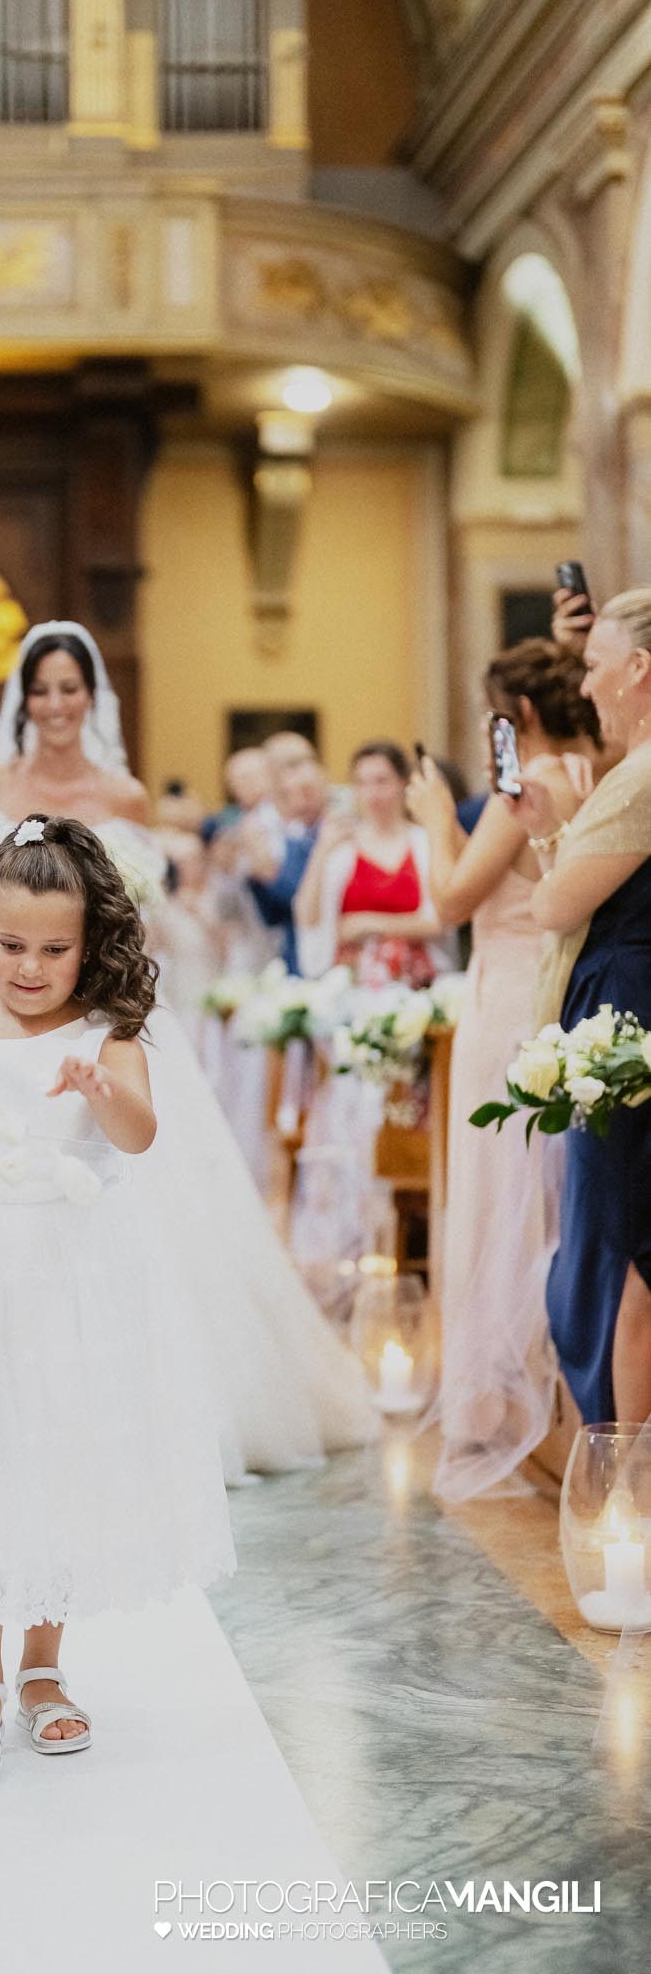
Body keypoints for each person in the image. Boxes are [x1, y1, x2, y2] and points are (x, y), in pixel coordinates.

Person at [0, 620, 374, 1480]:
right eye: (41, 689)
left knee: (139, 1191)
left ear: (91, 698)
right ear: (23, 698)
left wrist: (97, 971)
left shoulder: (119, 794)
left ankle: (155, 1404)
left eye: (69, 689)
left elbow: (139, 913)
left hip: (90, 1002)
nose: (55, 704)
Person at [0, 817, 236, 1772]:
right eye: (11, 945)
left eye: (54, 950)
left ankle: (42, 1666)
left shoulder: (105, 1033)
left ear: (88, 944)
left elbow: (138, 1134)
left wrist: (97, 1089)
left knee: (55, 1457)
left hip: (72, 1274)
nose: (30, 968)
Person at [407, 640, 599, 1497]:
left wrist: (431, 815)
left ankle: (501, 1401)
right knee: (542, 1192)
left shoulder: (521, 787)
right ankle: (543, 1389)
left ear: (517, 713)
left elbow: (449, 899)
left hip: (507, 1008)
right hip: (549, 996)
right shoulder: (588, 772)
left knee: (499, 1191)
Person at [524, 591, 651, 1425]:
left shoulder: (640, 776)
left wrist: (557, 824)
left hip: (626, 1013)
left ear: (638, 669)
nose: (584, 685)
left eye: (596, 666)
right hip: (623, 999)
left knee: (617, 1245)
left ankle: (622, 1460)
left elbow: (553, 905)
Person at [295, 739, 453, 985]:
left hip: (416, 979)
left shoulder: (425, 843)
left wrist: (368, 923)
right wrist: (322, 850)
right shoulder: (341, 848)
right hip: (351, 979)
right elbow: (307, 916)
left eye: (381, 781)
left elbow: (442, 918)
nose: (372, 794)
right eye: (362, 783)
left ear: (403, 782)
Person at [243, 759, 327, 975]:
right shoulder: (290, 837)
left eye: (306, 791)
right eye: (290, 794)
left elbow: (296, 892)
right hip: (294, 951)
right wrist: (259, 877)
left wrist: (270, 873)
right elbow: (274, 913)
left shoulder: (339, 832)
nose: (299, 801)